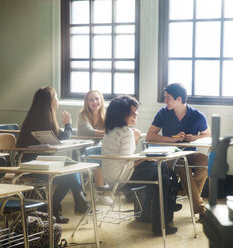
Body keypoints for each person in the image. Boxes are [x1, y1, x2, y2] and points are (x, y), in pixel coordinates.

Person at [101, 95, 177, 236]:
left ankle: (154, 217)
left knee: (161, 169)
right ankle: (161, 223)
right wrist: (145, 156)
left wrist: (144, 157)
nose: (135, 114)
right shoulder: (126, 132)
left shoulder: (110, 130)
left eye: (136, 111)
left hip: (112, 176)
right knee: (163, 171)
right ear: (121, 114)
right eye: (132, 112)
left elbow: (125, 160)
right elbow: (128, 161)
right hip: (122, 177)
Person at [16, 87, 90, 223]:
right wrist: (68, 124)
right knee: (70, 175)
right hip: (33, 167)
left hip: (41, 164)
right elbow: (65, 137)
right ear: (50, 101)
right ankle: (68, 205)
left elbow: (61, 138)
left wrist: (66, 127)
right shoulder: (44, 120)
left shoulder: (38, 118)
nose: (58, 99)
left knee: (72, 170)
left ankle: (67, 206)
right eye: (56, 96)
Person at [146, 83, 211, 218]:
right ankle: (200, 209)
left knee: (206, 162)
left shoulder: (197, 115)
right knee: (183, 166)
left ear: (179, 99)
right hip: (169, 155)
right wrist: (171, 140)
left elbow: (207, 134)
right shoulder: (163, 113)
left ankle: (183, 190)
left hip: (189, 153)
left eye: (168, 98)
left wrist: (194, 137)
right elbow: (150, 136)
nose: (165, 101)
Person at [78, 90, 113, 205]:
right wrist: (107, 133)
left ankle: (107, 191)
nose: (94, 102)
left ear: (101, 100)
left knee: (106, 151)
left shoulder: (106, 116)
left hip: (101, 148)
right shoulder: (82, 115)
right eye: (91, 100)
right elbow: (89, 132)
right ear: (87, 103)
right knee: (99, 153)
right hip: (85, 148)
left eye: (97, 99)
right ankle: (101, 192)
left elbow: (112, 130)